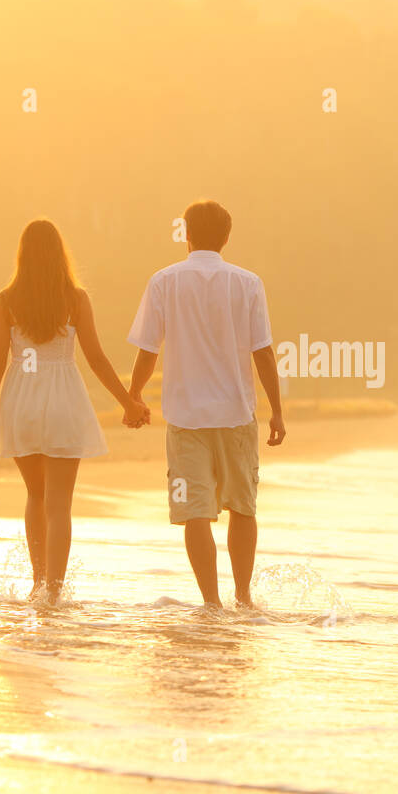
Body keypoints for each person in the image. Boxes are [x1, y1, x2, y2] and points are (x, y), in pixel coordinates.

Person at [0, 218, 149, 605]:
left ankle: (37, 585)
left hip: (20, 399)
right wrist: (129, 403)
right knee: (59, 504)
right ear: (60, 255)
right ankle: (53, 590)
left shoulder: (5, 301)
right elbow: (97, 359)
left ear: (22, 255)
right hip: (63, 400)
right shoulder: (75, 298)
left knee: (35, 495)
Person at [126, 200, 285, 608]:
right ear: (227, 237)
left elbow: (148, 349)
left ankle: (212, 603)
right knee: (242, 507)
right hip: (236, 414)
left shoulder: (164, 281)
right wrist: (277, 412)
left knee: (195, 511)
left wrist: (134, 395)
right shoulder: (248, 283)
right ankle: (244, 598)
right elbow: (263, 352)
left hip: (185, 417)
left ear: (187, 234)